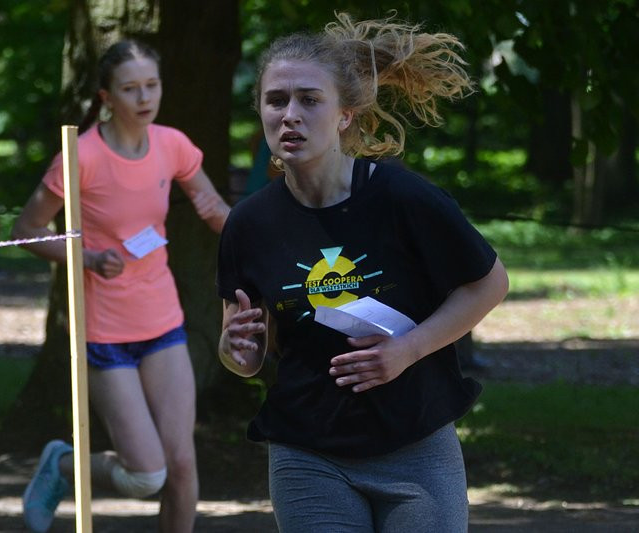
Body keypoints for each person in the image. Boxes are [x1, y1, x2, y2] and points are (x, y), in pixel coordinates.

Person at [216, 12, 509, 532]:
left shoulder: (402, 197)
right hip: (307, 452)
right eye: (276, 100)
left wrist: (408, 350)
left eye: (310, 99)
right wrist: (234, 351)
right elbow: (245, 352)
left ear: (345, 115)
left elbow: (490, 283)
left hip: (414, 443)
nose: (290, 115)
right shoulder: (249, 223)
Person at [13, 39, 230, 533]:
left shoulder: (172, 143)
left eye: (151, 85)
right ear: (106, 96)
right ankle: (63, 465)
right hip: (105, 331)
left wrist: (271, 242)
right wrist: (85, 256)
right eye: (130, 88)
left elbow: (215, 209)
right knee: (146, 475)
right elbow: (25, 231)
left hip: (163, 322)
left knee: (181, 467)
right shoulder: (81, 155)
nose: (144, 97)